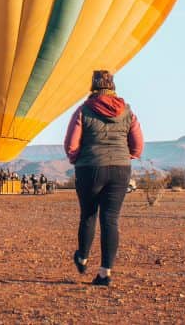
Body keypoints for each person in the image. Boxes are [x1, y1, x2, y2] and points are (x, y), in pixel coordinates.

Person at [64, 69, 143, 286]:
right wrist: (128, 156)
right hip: (120, 169)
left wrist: (76, 159)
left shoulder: (83, 110)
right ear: (113, 87)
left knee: (89, 214)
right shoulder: (128, 111)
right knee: (110, 219)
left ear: (93, 87)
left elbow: (71, 144)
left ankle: (82, 257)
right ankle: (105, 273)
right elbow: (138, 145)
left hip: (90, 167)